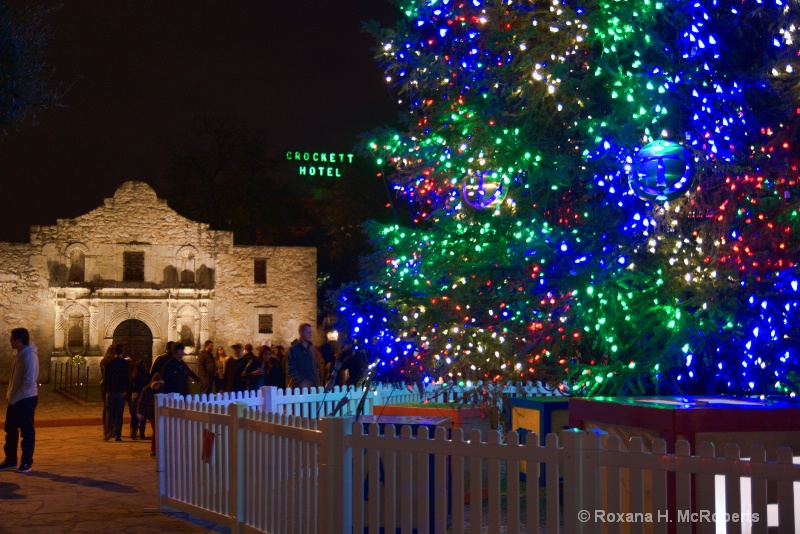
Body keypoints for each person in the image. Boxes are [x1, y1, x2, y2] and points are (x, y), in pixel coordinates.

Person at [1, 328, 39, 473]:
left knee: (26, 432)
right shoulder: (19, 355)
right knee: (10, 430)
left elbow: (28, 381)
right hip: (16, 399)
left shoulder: (29, 357)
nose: (10, 340)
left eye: (12, 338)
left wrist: (15, 398)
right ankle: (10, 460)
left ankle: (26, 462)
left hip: (26, 399)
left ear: (19, 340)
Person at [103, 344, 130, 441]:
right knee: (119, 413)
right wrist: (125, 390)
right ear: (122, 352)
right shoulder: (124, 363)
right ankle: (117, 434)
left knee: (109, 412)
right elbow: (127, 378)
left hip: (110, 391)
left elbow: (106, 378)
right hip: (120, 391)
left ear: (113, 352)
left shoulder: (109, 363)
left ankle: (108, 433)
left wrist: (106, 389)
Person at [137, 373, 164, 457]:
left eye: (160, 384)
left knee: (158, 432)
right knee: (156, 431)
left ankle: (157, 449)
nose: (158, 386)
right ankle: (153, 449)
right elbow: (141, 402)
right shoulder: (146, 390)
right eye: (157, 384)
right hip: (151, 413)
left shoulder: (161, 390)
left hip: (159, 413)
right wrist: (139, 412)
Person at [286, 323, 321, 389]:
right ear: (301, 333)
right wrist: (302, 381)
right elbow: (290, 370)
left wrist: (317, 383)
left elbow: (316, 367)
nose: (310, 334)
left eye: (311, 332)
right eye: (308, 332)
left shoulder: (313, 349)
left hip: (313, 386)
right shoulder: (293, 350)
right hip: (298, 388)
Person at [127, 359, 150, 440]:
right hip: (143, 395)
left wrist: (128, 398)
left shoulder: (133, 376)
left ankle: (133, 431)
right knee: (142, 414)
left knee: (134, 415)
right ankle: (142, 433)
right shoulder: (146, 375)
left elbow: (130, 387)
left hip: (134, 396)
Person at [98, 344, 116, 437]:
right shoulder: (113, 362)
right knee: (114, 408)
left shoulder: (104, 361)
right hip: (112, 386)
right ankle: (113, 429)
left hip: (104, 386)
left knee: (106, 408)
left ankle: (107, 428)